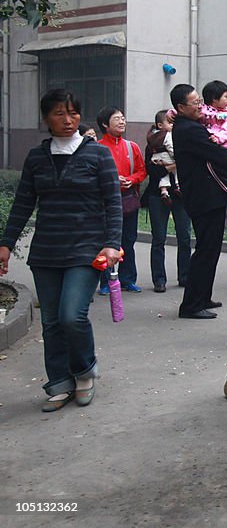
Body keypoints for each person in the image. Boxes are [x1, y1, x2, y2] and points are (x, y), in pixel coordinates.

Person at [0, 89, 121, 411]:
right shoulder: (37, 157)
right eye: (59, 114)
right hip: (47, 251)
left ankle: (84, 372)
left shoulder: (97, 154)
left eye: (73, 113)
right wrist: (6, 243)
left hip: (86, 249)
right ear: (46, 119)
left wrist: (112, 243)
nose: (67, 120)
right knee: (52, 322)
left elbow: (113, 202)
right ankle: (58, 382)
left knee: (72, 315)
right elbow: (24, 202)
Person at [171, 84, 227, 320]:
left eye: (200, 102)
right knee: (205, 250)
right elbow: (214, 152)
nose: (200, 106)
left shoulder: (192, 125)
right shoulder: (189, 129)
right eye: (195, 103)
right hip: (204, 198)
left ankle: (203, 296)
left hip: (207, 196)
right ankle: (191, 304)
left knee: (211, 249)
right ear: (180, 107)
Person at [96, 106, 146, 294]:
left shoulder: (131, 146)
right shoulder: (98, 148)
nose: (122, 121)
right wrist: (113, 181)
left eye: (123, 118)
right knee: (107, 241)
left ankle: (127, 279)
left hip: (128, 199)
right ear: (104, 123)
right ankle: (105, 281)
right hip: (106, 202)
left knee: (129, 240)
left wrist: (131, 180)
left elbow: (142, 170)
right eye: (117, 118)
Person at [144, 110, 191, 293]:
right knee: (158, 239)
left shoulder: (181, 141)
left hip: (181, 195)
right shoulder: (153, 143)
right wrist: (172, 166)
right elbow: (152, 171)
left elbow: (189, 166)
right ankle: (159, 279)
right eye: (170, 122)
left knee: (185, 237)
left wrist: (171, 166)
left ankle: (185, 276)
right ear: (159, 125)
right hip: (158, 195)